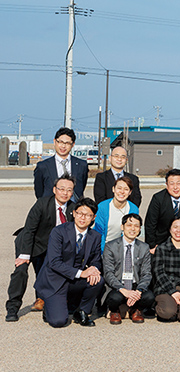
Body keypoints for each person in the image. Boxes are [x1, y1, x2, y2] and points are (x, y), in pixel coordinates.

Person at [6, 175, 75, 322]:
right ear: (54, 190)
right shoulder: (42, 204)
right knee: (21, 272)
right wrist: (25, 255)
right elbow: (29, 230)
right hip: (29, 242)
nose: (65, 193)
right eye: (61, 189)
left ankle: (43, 299)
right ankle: (12, 307)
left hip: (50, 246)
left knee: (46, 271)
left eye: (69, 190)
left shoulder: (73, 209)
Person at [33, 198, 103, 327]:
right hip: (55, 280)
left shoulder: (95, 236)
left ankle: (81, 311)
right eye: (80, 213)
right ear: (74, 213)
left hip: (74, 280)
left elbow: (96, 260)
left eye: (88, 215)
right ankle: (48, 306)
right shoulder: (59, 231)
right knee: (58, 322)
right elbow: (54, 262)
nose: (83, 218)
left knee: (97, 280)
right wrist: (82, 273)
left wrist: (94, 269)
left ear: (93, 217)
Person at [103, 213, 154, 325]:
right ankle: (114, 311)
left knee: (149, 297)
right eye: (129, 225)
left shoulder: (144, 247)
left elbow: (146, 273)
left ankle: (134, 310)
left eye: (136, 226)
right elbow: (108, 273)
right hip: (117, 285)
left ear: (140, 229)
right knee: (114, 298)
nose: (133, 228)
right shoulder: (110, 246)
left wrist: (138, 291)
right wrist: (123, 290)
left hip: (135, 284)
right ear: (122, 227)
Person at [34, 127, 88, 201]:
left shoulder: (82, 165)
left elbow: (81, 186)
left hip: (74, 207)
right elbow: (39, 192)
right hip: (50, 209)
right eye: (60, 142)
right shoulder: (43, 166)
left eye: (67, 143)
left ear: (73, 144)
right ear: (54, 141)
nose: (63, 146)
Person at [93, 176, 140, 251]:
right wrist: (104, 252)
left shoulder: (133, 209)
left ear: (130, 192)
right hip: (102, 247)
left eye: (126, 189)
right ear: (113, 189)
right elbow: (99, 232)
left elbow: (129, 233)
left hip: (121, 248)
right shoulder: (102, 207)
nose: (122, 192)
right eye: (119, 188)